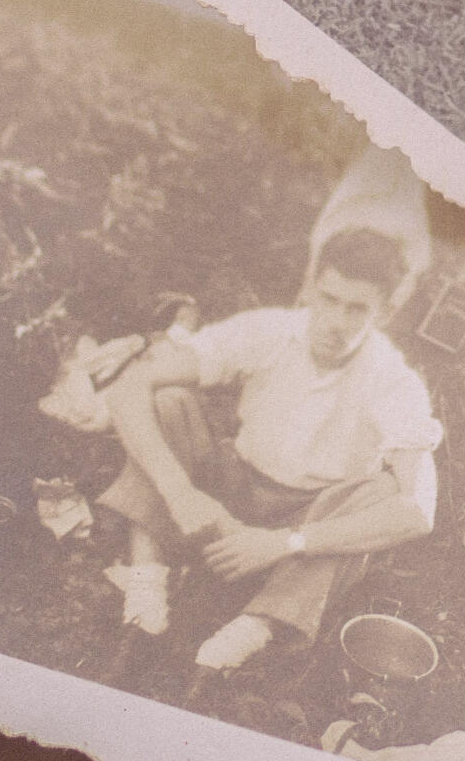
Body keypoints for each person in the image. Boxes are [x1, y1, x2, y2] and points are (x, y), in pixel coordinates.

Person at [98, 226, 442, 675]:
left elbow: (417, 512)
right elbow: (129, 386)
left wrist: (286, 543)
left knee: (383, 491)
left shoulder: (394, 381)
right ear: (310, 287)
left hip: (309, 523)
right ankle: (147, 582)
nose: (335, 322)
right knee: (168, 402)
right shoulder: (271, 330)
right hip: (228, 493)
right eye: (329, 299)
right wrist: (181, 494)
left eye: (357, 309)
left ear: (386, 311)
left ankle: (252, 629)